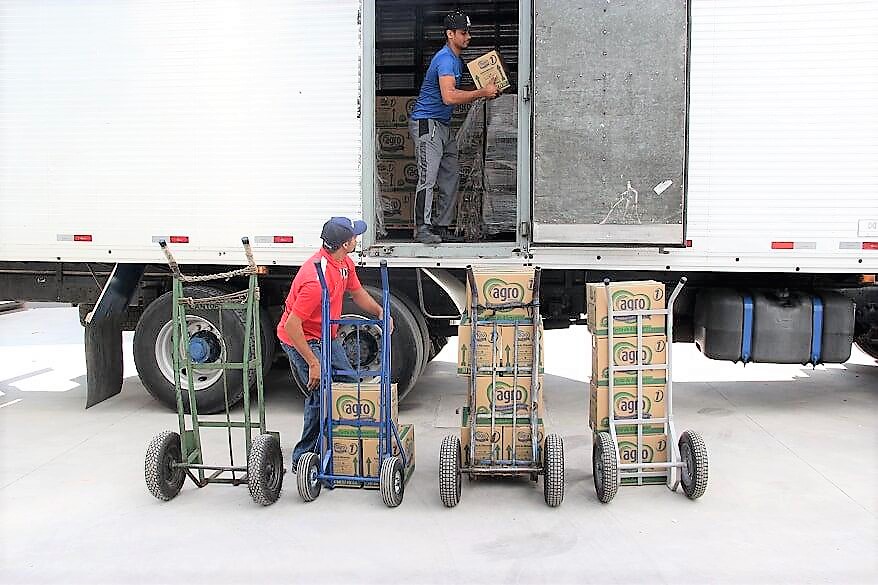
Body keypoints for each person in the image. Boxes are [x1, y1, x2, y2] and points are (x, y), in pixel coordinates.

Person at [278, 216, 392, 471]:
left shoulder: (344, 263)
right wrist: (313, 363)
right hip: (301, 339)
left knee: (349, 385)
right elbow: (291, 326)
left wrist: (379, 311)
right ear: (345, 243)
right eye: (354, 237)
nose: (357, 239)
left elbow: (357, 292)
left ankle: (343, 445)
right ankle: (304, 457)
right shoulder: (315, 280)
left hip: (326, 335)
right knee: (320, 393)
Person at [409, 10, 500, 244]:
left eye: (468, 31)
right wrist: (482, 92)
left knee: (450, 176)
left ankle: (440, 227)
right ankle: (422, 228)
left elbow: (457, 93)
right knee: (427, 178)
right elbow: (449, 97)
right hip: (426, 123)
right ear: (450, 34)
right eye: (463, 32)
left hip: (442, 125)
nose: (468, 36)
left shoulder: (456, 60)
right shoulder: (445, 59)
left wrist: (485, 90)